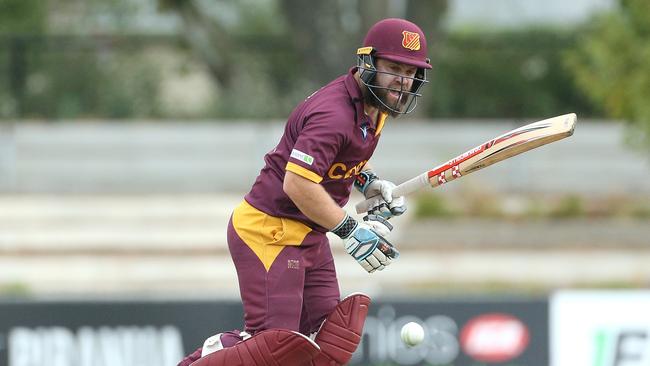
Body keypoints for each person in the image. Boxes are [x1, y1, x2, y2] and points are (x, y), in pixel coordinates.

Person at [179, 17, 432, 366]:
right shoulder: (334, 114)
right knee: (275, 349)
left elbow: (338, 160)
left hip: (309, 234)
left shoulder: (375, 107)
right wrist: (350, 229)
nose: (402, 82)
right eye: (393, 68)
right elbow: (296, 182)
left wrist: (368, 181)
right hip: (270, 231)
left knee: (328, 344)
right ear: (368, 63)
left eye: (411, 72)